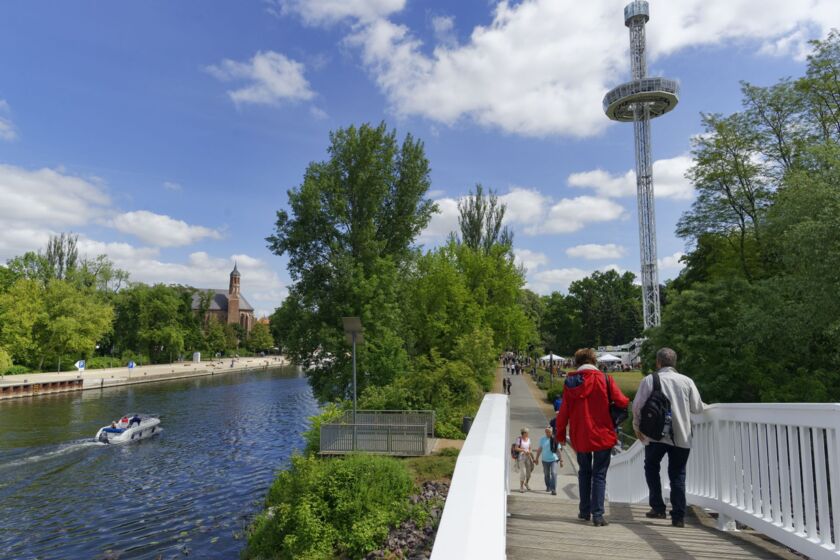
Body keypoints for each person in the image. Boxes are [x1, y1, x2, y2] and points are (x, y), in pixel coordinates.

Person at [633, 348, 706, 528]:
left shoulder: (650, 380)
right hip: (682, 435)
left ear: (658, 362)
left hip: (655, 435)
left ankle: (658, 507)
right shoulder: (687, 381)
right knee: (677, 474)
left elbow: (637, 406)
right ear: (675, 363)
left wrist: (637, 426)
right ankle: (678, 516)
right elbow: (697, 408)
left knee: (651, 467)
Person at [556, 348, 629, 527]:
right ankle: (597, 515)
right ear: (594, 361)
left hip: (580, 433)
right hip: (602, 432)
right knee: (599, 474)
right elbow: (622, 401)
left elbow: (563, 411)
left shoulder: (571, 382)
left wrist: (560, 433)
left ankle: (584, 510)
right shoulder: (605, 379)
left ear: (577, 362)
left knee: (584, 471)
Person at [534, 426, 563, 495]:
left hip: (554, 460)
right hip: (545, 460)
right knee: (546, 474)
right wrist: (536, 458)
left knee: (553, 473)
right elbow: (540, 449)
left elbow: (559, 450)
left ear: (551, 432)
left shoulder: (555, 439)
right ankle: (548, 486)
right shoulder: (542, 439)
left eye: (549, 432)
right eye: (546, 432)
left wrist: (561, 460)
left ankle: (553, 489)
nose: (547, 433)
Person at [513, 427, 535, 493]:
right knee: (523, 473)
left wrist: (529, 452)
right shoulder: (519, 439)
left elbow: (530, 448)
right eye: (527, 432)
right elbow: (516, 448)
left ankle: (526, 483)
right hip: (521, 458)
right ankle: (521, 487)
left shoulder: (528, 439)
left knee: (529, 473)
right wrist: (523, 450)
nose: (528, 434)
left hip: (528, 457)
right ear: (524, 433)